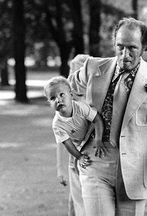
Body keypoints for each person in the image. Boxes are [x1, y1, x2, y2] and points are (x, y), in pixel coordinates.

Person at [69, 17, 147, 215]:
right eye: (120, 47)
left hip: (136, 171)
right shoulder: (93, 67)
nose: (125, 55)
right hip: (95, 160)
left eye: (132, 48)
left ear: (144, 47)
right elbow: (67, 90)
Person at [43, 76, 107, 216]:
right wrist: (79, 157)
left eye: (61, 95)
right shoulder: (57, 124)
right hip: (79, 145)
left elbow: (97, 119)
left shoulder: (80, 106)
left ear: (71, 95)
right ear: (49, 103)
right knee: (79, 176)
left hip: (90, 133)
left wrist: (98, 139)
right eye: (53, 98)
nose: (58, 100)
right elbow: (67, 144)